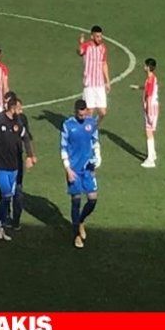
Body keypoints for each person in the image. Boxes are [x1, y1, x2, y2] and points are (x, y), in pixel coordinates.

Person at [0, 98, 36, 242]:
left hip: (14, 167)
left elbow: (26, 138)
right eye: (19, 108)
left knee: (8, 196)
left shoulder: (18, 121)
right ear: (12, 108)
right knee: (7, 195)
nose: (21, 111)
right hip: (0, 166)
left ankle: (0, 224)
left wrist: (29, 155)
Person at [61, 99, 101, 249]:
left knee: (92, 199)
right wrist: (68, 169)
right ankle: (77, 235)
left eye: (84, 114)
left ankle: (81, 221)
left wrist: (97, 158)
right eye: (80, 115)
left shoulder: (91, 123)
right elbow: (63, 148)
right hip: (74, 169)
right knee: (76, 201)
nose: (82, 117)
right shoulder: (67, 125)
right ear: (75, 112)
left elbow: (95, 141)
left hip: (88, 168)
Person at [78, 25, 110, 124]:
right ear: (92, 36)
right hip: (89, 83)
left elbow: (104, 64)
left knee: (103, 112)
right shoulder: (87, 46)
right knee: (90, 111)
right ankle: (89, 131)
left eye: (100, 36)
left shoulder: (103, 48)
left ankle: (94, 126)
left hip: (100, 83)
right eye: (97, 36)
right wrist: (81, 43)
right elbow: (80, 52)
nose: (100, 38)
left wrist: (107, 81)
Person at [130, 58, 159, 168]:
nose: (144, 67)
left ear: (148, 67)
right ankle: (153, 154)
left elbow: (149, 95)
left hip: (151, 107)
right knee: (150, 131)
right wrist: (138, 87)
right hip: (153, 106)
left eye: (145, 65)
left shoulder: (150, 80)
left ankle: (150, 160)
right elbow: (147, 88)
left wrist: (147, 109)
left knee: (148, 132)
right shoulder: (152, 78)